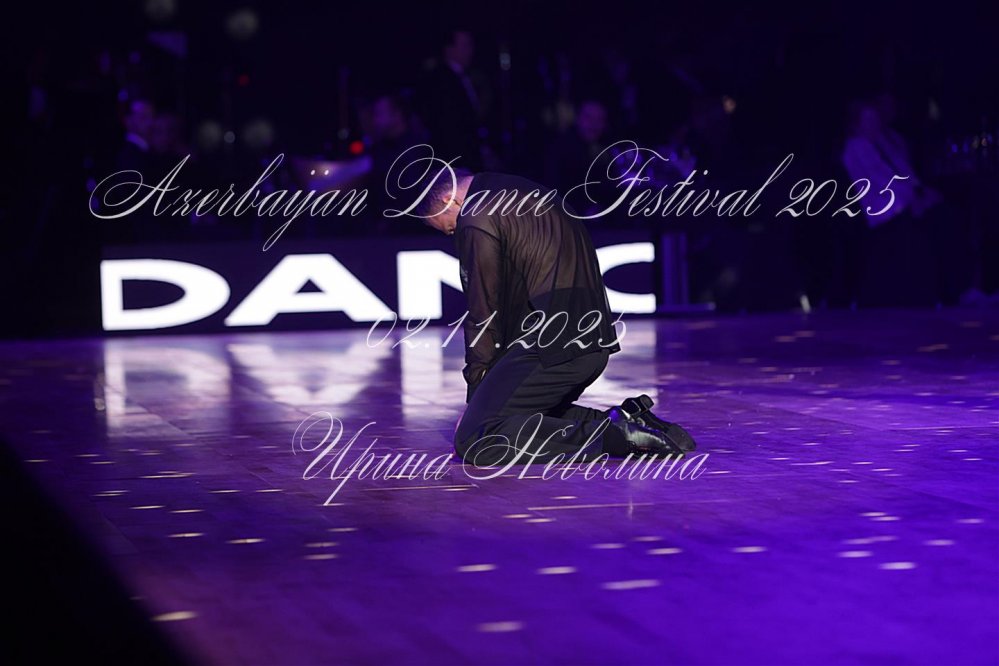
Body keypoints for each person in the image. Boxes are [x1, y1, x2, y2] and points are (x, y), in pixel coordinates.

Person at [415, 169, 697, 466]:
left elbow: (483, 311)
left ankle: (615, 437)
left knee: (476, 438)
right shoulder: (521, 187)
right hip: (591, 340)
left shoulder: (476, 216)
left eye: (450, 228)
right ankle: (632, 421)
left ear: (450, 200)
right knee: (518, 416)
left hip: (551, 343)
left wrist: (476, 395)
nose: (455, 234)